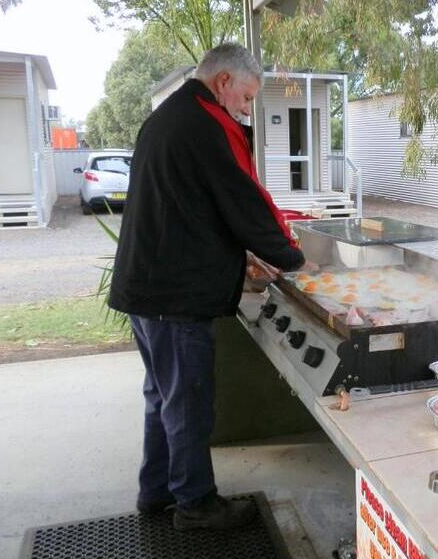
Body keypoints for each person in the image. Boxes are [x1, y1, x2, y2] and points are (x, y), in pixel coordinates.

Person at [108, 43, 315, 531]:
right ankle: (196, 504)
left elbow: (188, 208)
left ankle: (156, 493)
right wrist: (294, 260)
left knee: (164, 397)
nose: (246, 110)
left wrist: (234, 258)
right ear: (223, 82)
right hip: (174, 298)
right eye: (246, 98)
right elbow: (245, 201)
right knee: (189, 404)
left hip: (147, 287)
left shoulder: (169, 117)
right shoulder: (207, 124)